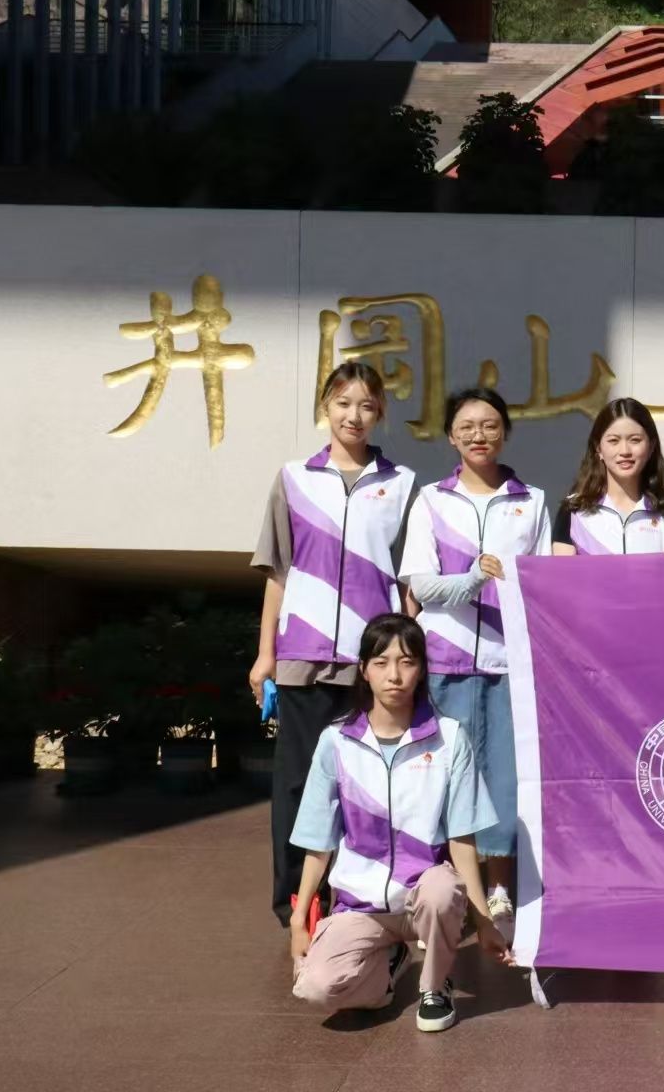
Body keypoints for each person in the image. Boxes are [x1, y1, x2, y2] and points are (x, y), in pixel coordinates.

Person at [250, 361, 417, 929]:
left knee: (364, 786)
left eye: (366, 405)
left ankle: (356, 899)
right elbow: (278, 572)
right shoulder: (294, 478)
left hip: (370, 665)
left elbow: (409, 581)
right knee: (297, 785)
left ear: (380, 413)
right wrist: (266, 653)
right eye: (343, 403)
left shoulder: (402, 484)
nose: (354, 415)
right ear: (326, 406)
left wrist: (403, 658)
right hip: (303, 659)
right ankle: (295, 906)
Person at [288, 614, 513, 1033]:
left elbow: (462, 837)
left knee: (442, 890)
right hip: (360, 905)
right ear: (364, 670)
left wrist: (483, 919)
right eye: (381, 662)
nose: (394, 675)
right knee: (318, 988)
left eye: (407, 662)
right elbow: (319, 840)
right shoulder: (336, 742)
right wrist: (299, 919)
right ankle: (389, 964)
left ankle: (436, 985)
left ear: (422, 669)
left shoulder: (450, 738)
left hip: (424, 897)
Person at [398, 388, 551, 933]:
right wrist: (473, 579)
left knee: (506, 782)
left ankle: (501, 889)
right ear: (450, 436)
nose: (478, 435)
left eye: (489, 425)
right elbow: (420, 584)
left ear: (504, 432)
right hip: (445, 661)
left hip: (510, 664)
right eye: (466, 426)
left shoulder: (531, 501)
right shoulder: (431, 500)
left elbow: (543, 585)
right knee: (443, 781)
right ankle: (444, 894)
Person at [553, 398, 664, 554]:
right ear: (598, 448)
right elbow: (562, 568)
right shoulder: (573, 511)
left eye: (635, 440)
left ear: (651, 446)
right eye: (613, 441)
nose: (625, 451)